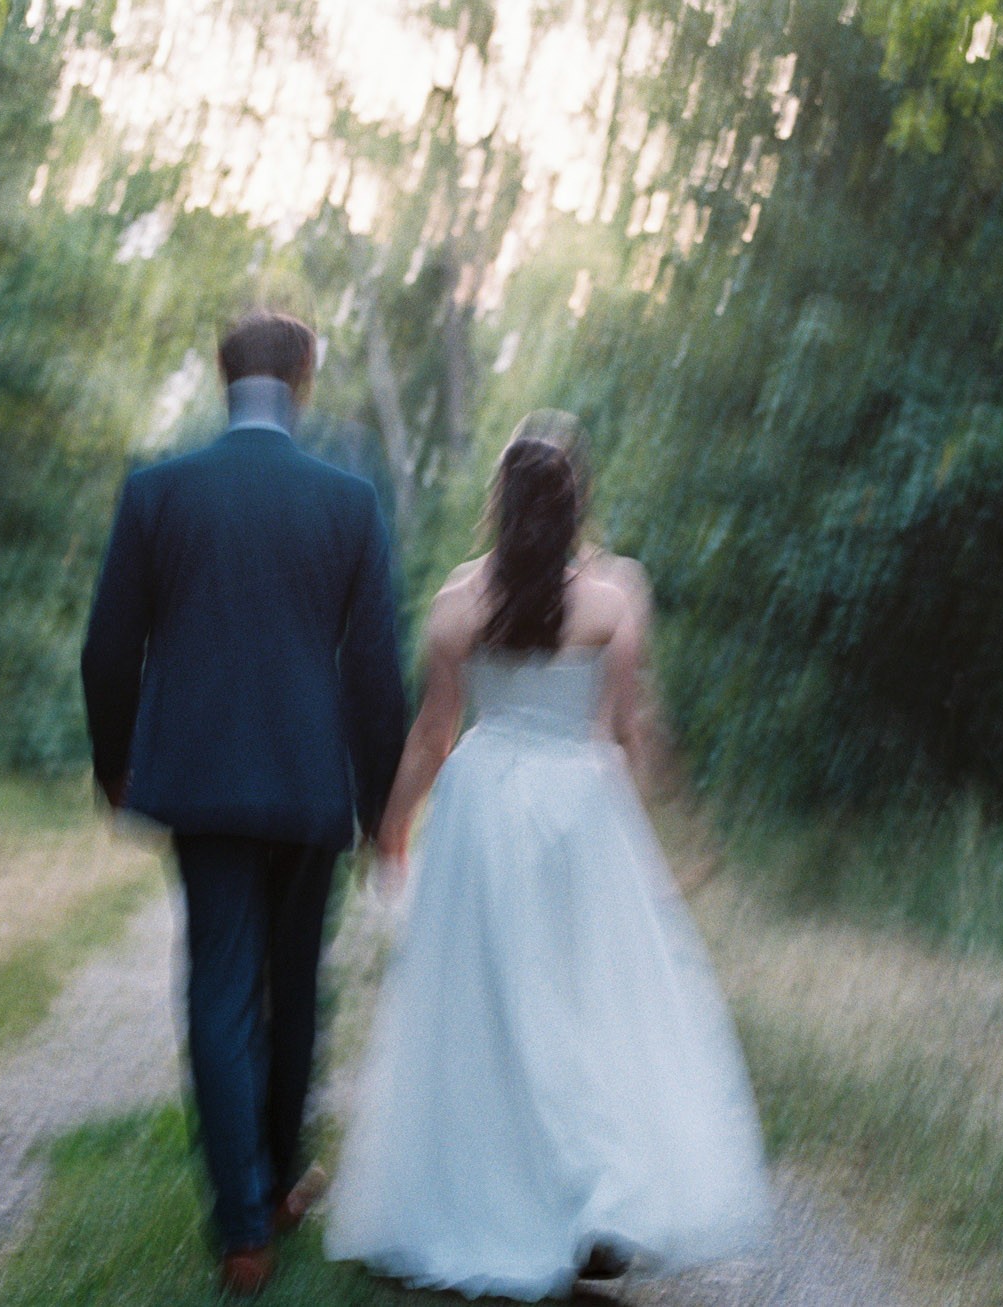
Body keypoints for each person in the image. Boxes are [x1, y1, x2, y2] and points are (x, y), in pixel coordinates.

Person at [324, 429, 770, 1299]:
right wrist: (647, 826)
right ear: (575, 506)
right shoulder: (615, 595)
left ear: (501, 505)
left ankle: (498, 1194)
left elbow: (433, 732)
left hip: (484, 813)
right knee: (588, 1003)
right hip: (579, 811)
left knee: (489, 1010)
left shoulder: (457, 602)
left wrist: (391, 825)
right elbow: (624, 724)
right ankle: (596, 1203)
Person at [80, 310, 406, 1298]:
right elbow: (374, 671)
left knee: (220, 990)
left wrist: (114, 763)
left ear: (225, 378)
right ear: (302, 378)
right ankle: (272, 1191)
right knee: (295, 984)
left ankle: (241, 1230)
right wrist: (383, 796)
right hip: (312, 786)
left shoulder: (158, 490)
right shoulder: (349, 502)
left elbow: (107, 648)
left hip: (204, 784)